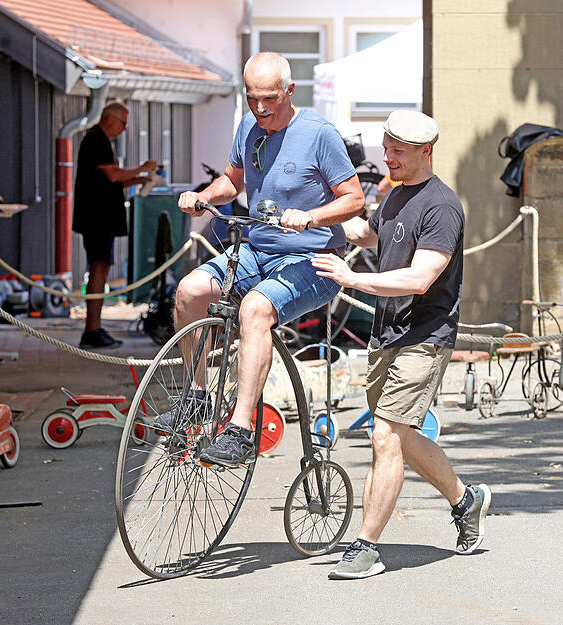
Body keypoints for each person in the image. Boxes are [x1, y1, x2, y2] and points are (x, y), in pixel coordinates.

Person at [310, 110, 491, 580]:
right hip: (386, 334)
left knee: (385, 437)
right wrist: (311, 220)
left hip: (423, 338)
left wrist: (353, 277)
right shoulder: (395, 195)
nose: (387, 158)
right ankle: (466, 500)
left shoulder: (442, 207)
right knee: (404, 440)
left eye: (398, 152)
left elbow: (420, 276)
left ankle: (366, 546)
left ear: (426, 151)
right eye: (385, 148)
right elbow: (372, 233)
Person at [165, 52, 364, 468]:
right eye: (252, 97)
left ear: (290, 91)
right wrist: (204, 196)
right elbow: (232, 181)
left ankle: (239, 430)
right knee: (190, 290)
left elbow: (355, 199)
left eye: (269, 98)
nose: (260, 107)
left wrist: (311, 217)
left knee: (255, 309)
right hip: (257, 251)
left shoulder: (319, 134)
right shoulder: (249, 128)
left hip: (314, 259)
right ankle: (199, 398)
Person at [73, 101, 157, 349]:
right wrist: (140, 169)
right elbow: (112, 175)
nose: (124, 128)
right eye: (123, 123)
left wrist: (140, 178)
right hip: (96, 217)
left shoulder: (100, 141)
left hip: (101, 217)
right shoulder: (96, 139)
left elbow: (109, 179)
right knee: (98, 268)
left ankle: (95, 327)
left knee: (102, 268)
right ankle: (92, 329)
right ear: (110, 119)